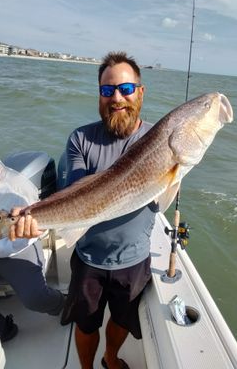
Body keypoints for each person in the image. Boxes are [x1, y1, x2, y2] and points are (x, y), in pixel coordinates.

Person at [12, 51, 156, 369]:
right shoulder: (81, 139)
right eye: (107, 91)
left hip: (134, 260)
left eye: (126, 89)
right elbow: (77, 195)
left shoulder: (156, 140)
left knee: (121, 320)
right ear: (99, 95)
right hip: (88, 260)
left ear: (140, 92)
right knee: (86, 323)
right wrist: (34, 215)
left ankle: (110, 357)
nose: (116, 98)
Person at [0, 139, 64, 342]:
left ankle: (63, 304)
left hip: (19, 249)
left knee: (34, 299)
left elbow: (34, 233)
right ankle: (0, 328)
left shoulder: (19, 190)